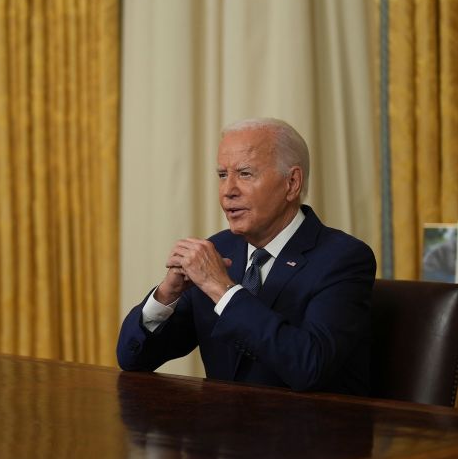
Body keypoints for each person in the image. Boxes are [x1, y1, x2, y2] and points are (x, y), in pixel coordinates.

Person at [116, 118, 376, 394]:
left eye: (245, 174)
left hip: (307, 431)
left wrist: (222, 289)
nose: (228, 191)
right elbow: (133, 359)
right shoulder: (218, 250)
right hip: (224, 432)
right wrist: (166, 296)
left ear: (292, 183)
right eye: (222, 175)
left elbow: (309, 367)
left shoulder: (343, 258)